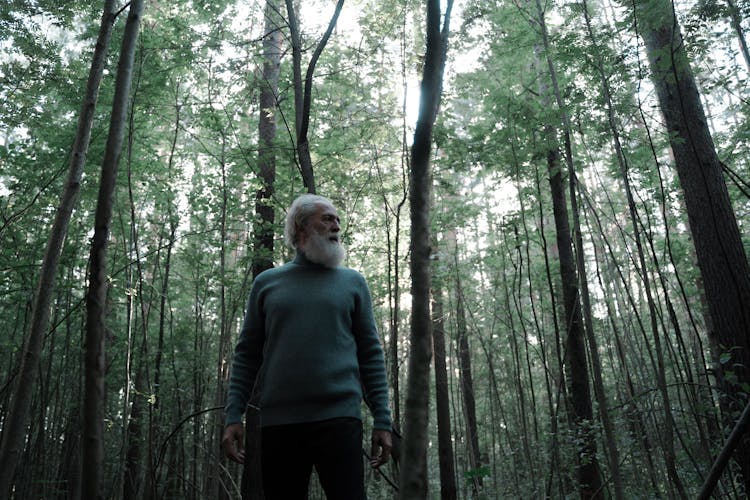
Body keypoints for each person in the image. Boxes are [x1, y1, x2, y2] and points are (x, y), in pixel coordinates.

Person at [221, 194, 393, 500]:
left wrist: (382, 418)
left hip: (340, 420)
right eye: (327, 218)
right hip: (280, 425)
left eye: (338, 219)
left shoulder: (352, 282)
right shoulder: (267, 283)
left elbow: (371, 354)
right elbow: (247, 354)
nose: (336, 224)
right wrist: (234, 415)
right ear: (301, 227)